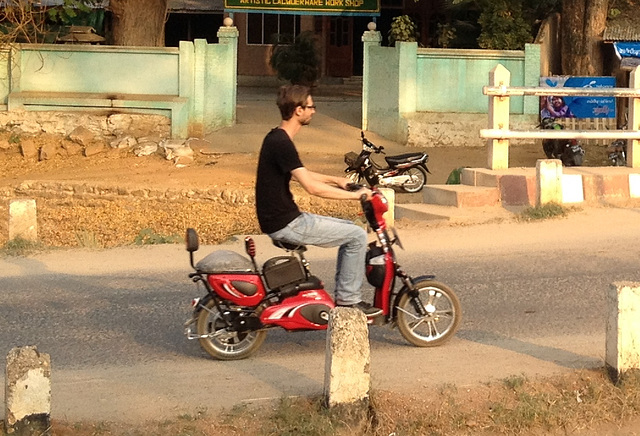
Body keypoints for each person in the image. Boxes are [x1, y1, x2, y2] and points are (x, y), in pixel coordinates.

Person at [255, 84, 382, 317]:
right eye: (311, 107)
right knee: (357, 236)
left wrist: (338, 180)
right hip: (286, 223)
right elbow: (312, 187)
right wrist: (357, 195)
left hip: (284, 218)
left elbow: (301, 172)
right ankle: (348, 301)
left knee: (351, 229)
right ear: (298, 110)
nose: (314, 111)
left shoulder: (276, 137)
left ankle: (345, 297)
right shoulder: (282, 142)